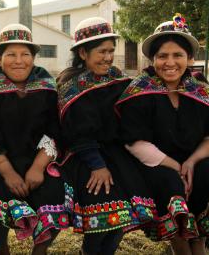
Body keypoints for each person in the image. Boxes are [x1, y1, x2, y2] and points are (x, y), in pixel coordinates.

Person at [115, 13, 209, 255]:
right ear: (153, 59)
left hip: (194, 162)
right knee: (169, 183)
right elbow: (135, 142)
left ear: (190, 58)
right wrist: (176, 166)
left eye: (178, 55)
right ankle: (180, 247)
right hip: (156, 166)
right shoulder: (139, 90)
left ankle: (201, 244)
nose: (169, 62)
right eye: (162, 56)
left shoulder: (200, 88)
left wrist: (192, 162)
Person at [57, 17, 156, 255]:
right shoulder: (71, 85)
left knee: (122, 219)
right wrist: (97, 165)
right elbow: (76, 132)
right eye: (102, 51)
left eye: (111, 51)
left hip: (118, 157)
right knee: (102, 218)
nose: (108, 57)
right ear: (83, 52)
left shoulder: (118, 79)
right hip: (85, 158)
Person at [0, 24, 69, 255]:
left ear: (34, 58)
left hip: (37, 158)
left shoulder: (46, 87)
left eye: (25, 54)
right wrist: (8, 173)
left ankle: (40, 248)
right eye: (11, 55)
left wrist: (38, 167)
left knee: (56, 195)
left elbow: (53, 130)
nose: (19, 61)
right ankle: (1, 248)